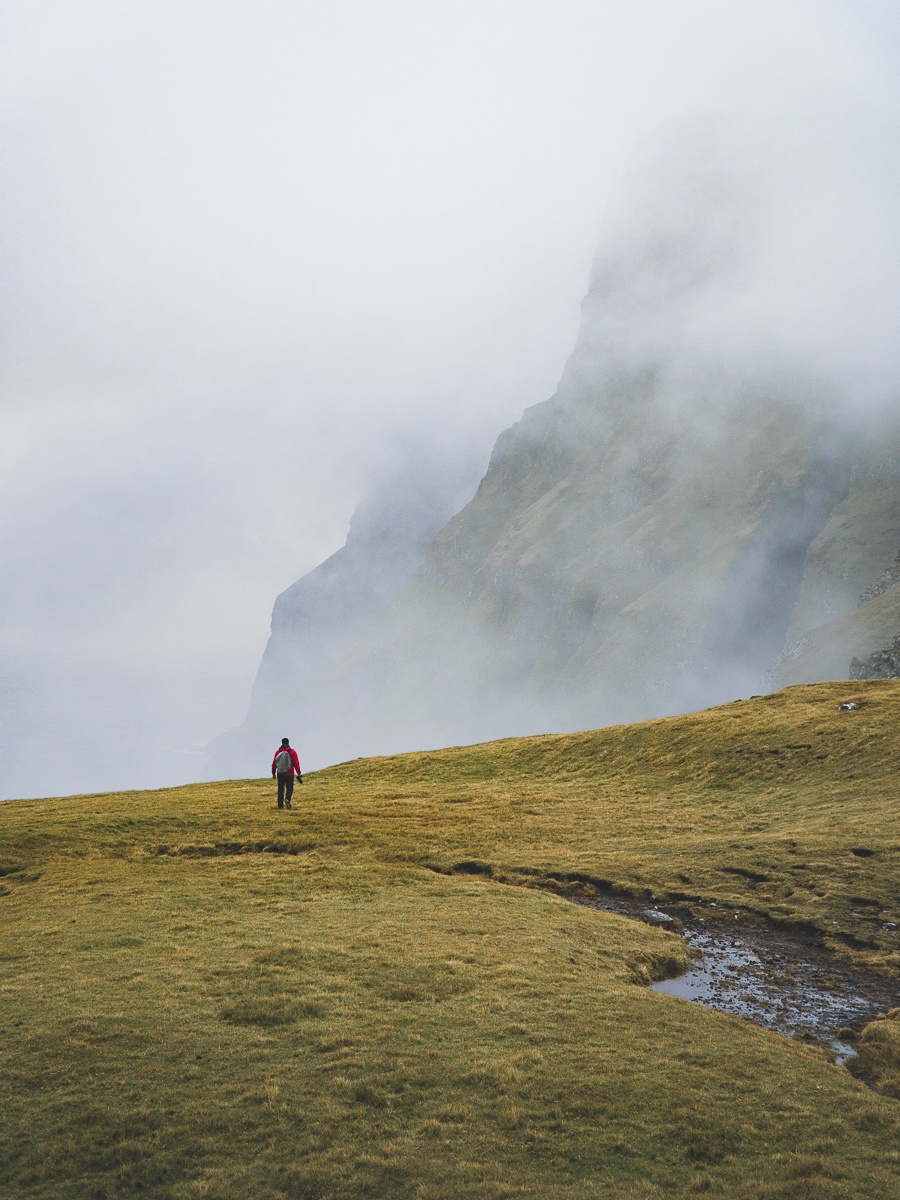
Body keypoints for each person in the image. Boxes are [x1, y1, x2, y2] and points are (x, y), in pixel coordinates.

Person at [271, 738, 302, 809]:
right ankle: (287, 799)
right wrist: (299, 773)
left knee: (280, 789)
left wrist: (273, 773)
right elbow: (296, 763)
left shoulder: (278, 752)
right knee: (289, 788)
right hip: (289, 773)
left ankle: (280, 805)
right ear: (288, 743)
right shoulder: (292, 752)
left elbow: (274, 763)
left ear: (281, 743)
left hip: (280, 773)